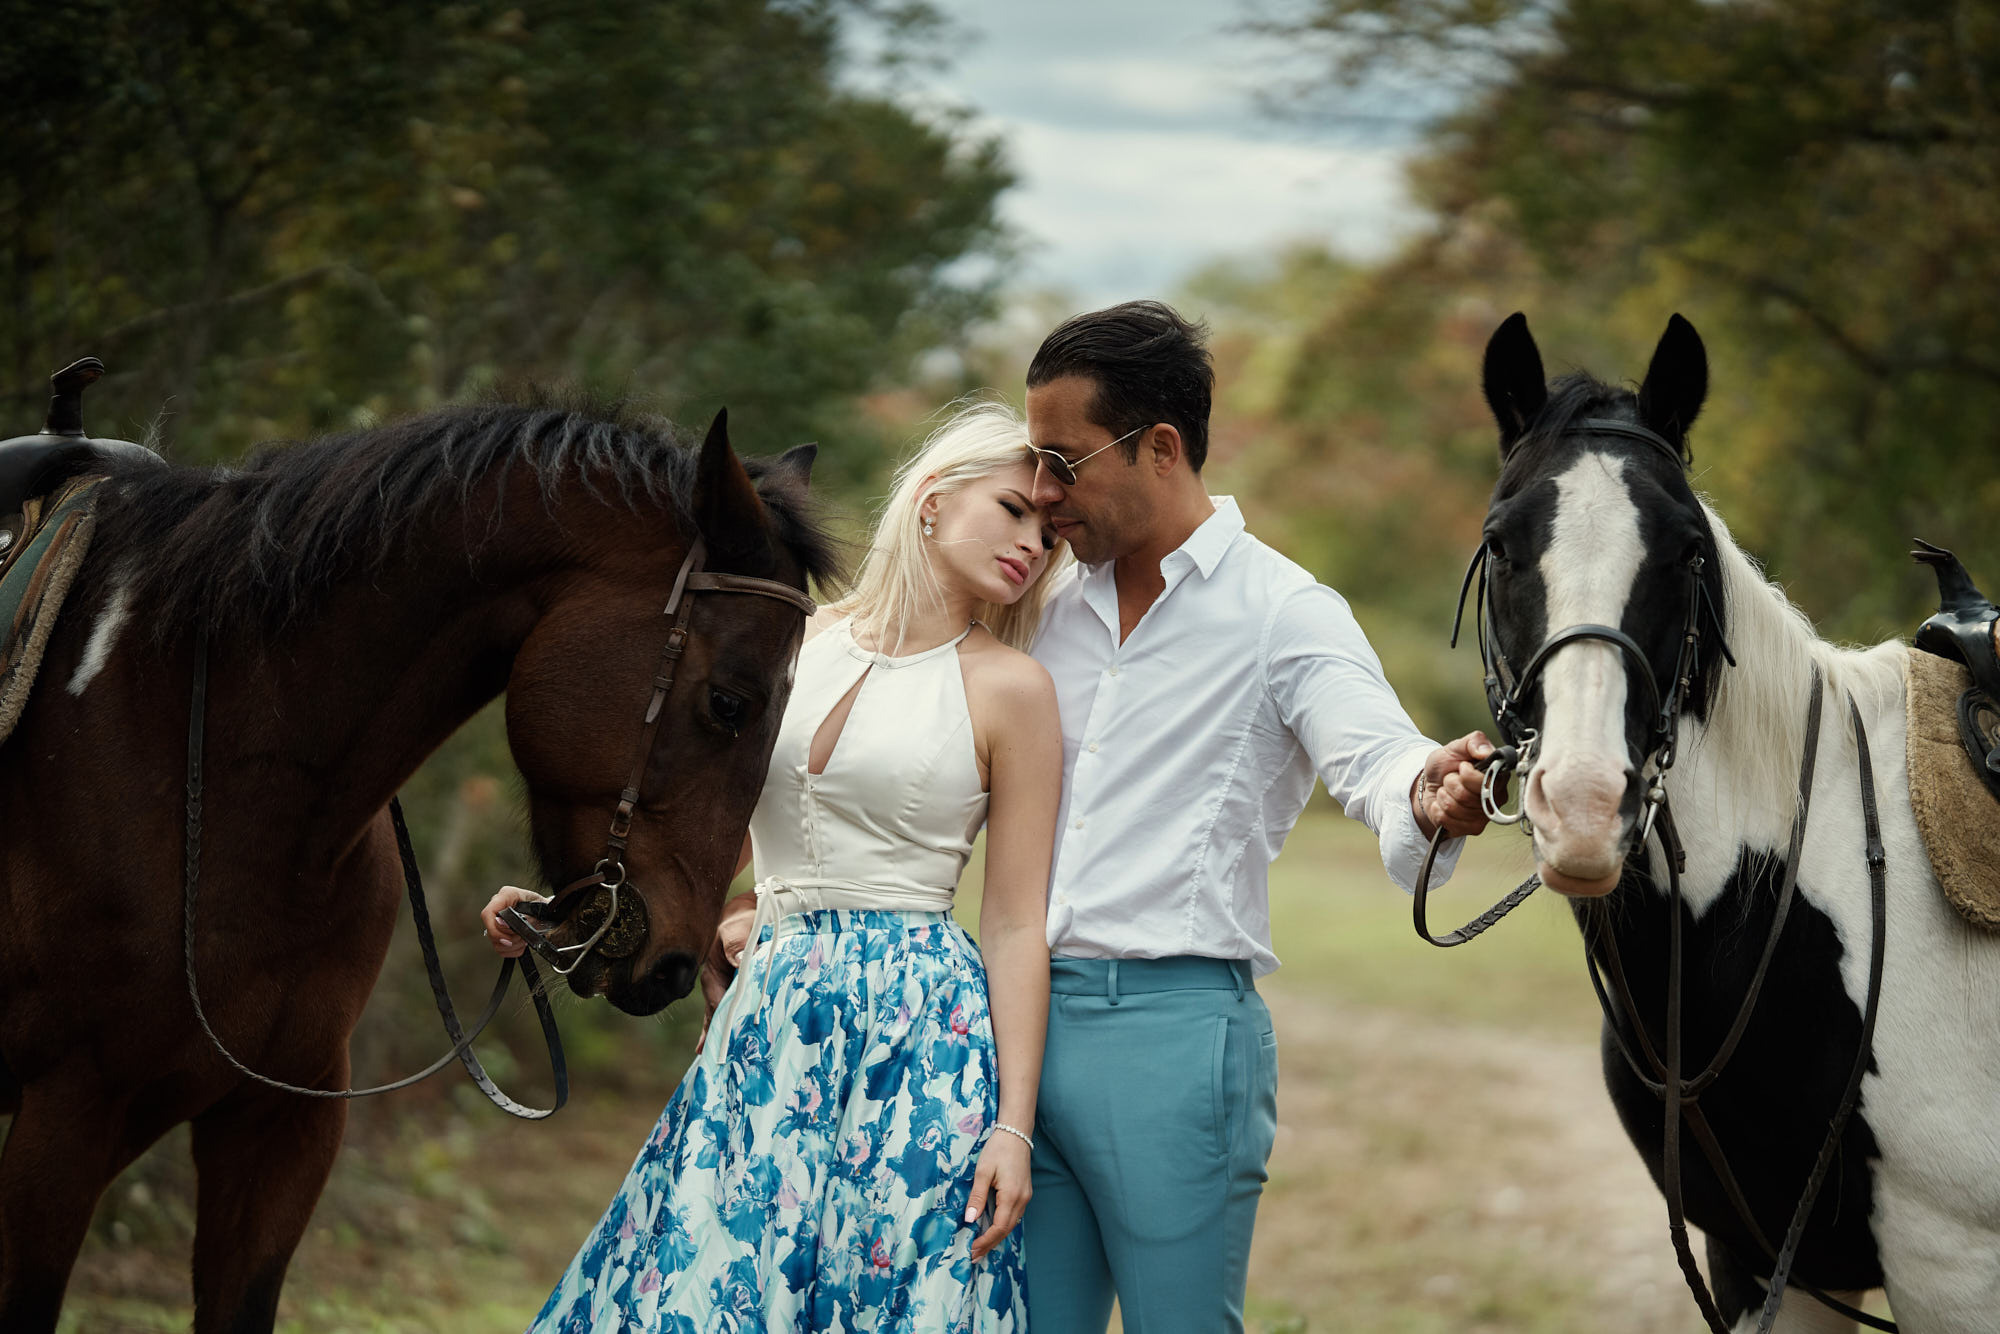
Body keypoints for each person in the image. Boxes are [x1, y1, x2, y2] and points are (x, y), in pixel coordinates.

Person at [482, 400, 1065, 1332]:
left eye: (1049, 534)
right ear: (931, 500)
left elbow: (1014, 922)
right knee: (710, 1290)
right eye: (1014, 510)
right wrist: (574, 905)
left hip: (923, 1030)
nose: (1034, 545)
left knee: (883, 1300)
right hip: (774, 1012)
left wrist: (1012, 1129)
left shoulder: (1013, 689)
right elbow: (703, 820)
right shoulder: (796, 639)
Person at [1016, 301, 1495, 1333]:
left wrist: (1433, 789)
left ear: (1159, 447)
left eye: (1063, 460)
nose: (1041, 493)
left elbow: (1378, 760)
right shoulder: (1039, 605)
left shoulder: (1283, 608)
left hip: (1176, 1040)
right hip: (1014, 1029)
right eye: (1033, 461)